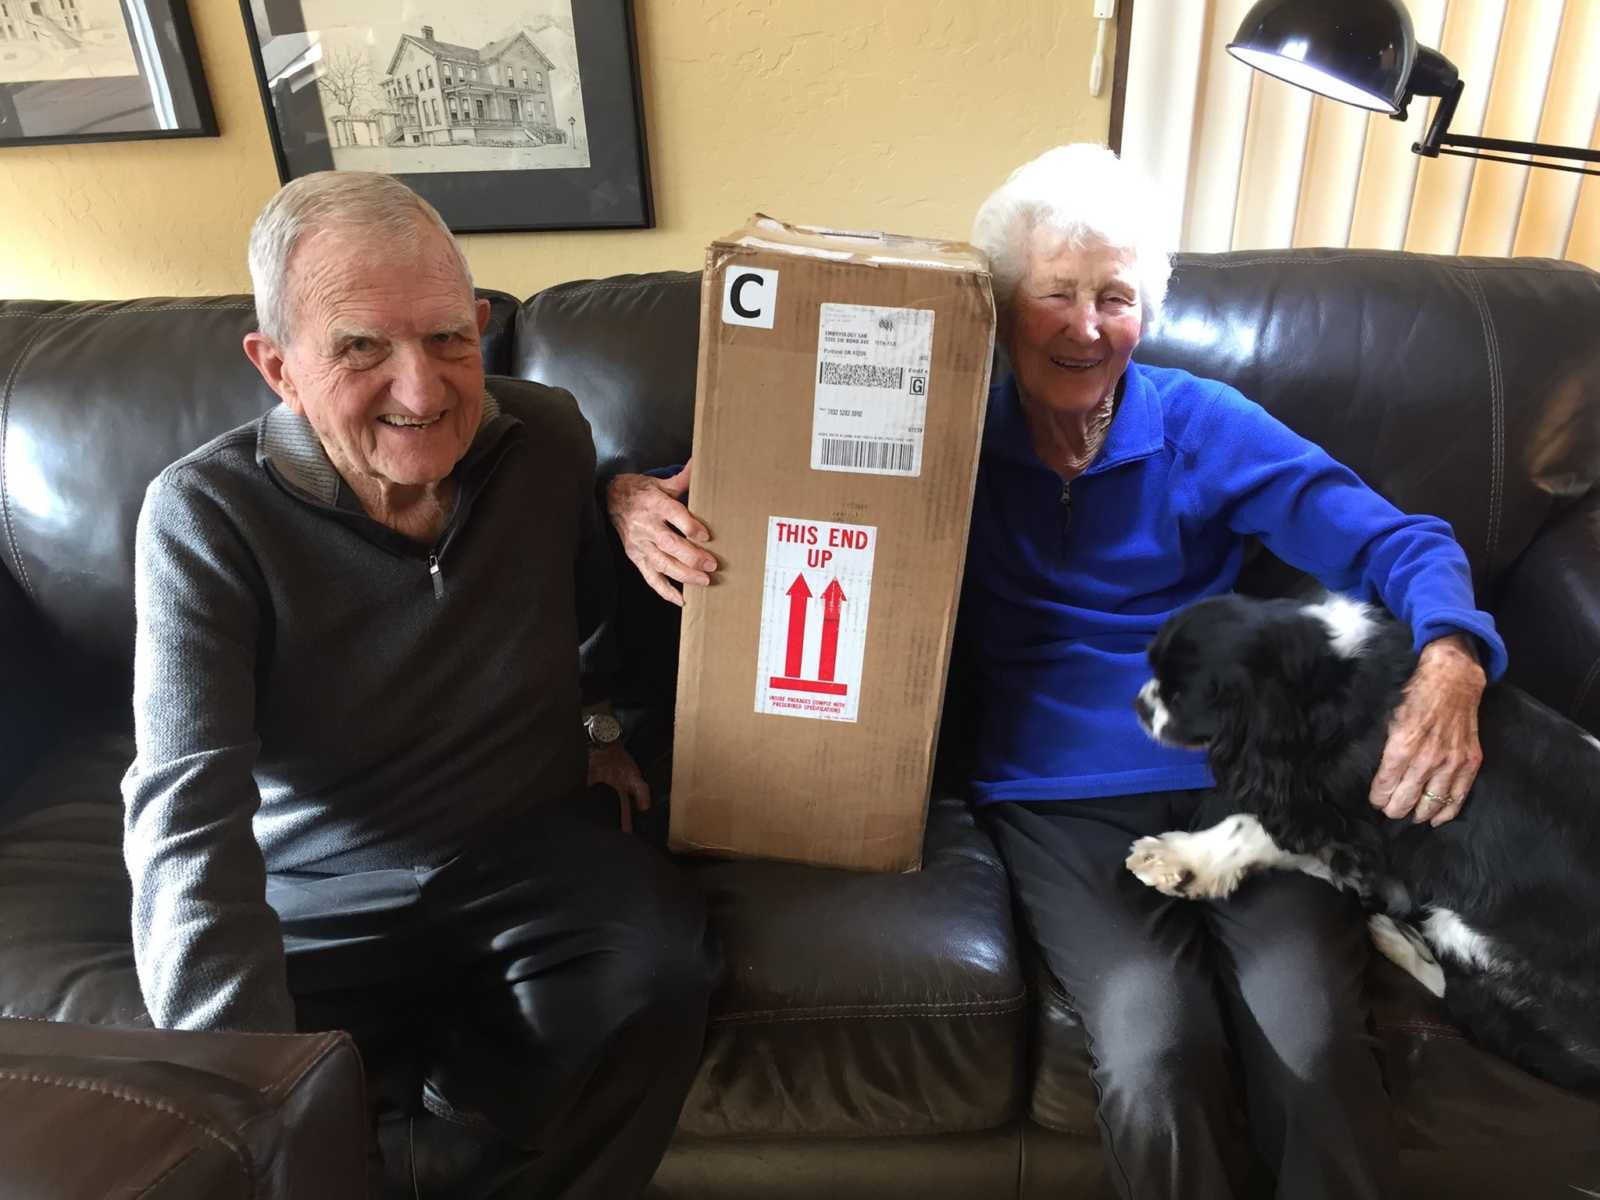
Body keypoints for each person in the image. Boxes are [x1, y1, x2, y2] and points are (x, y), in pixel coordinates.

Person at [603, 144, 1504, 1198]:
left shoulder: (1199, 423)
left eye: (1115, 297)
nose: (1087, 327)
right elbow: (744, 462)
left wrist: (1452, 659)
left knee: (1311, 1043)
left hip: (1244, 781)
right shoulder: (936, 425)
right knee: (1151, 1050)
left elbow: (1400, 542)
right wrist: (625, 499)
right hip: (1052, 795)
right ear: (995, 307)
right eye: (1057, 294)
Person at [121, 171, 716, 1200]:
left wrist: (598, 718)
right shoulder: (203, 516)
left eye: (448, 338)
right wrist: (243, 1102)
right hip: (322, 887)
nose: (422, 389)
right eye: (360, 347)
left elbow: (590, 623)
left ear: (480, 325)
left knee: (666, 974)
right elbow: (186, 817)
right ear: (278, 367)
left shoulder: (547, 439)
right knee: (293, 1131)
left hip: (526, 850)